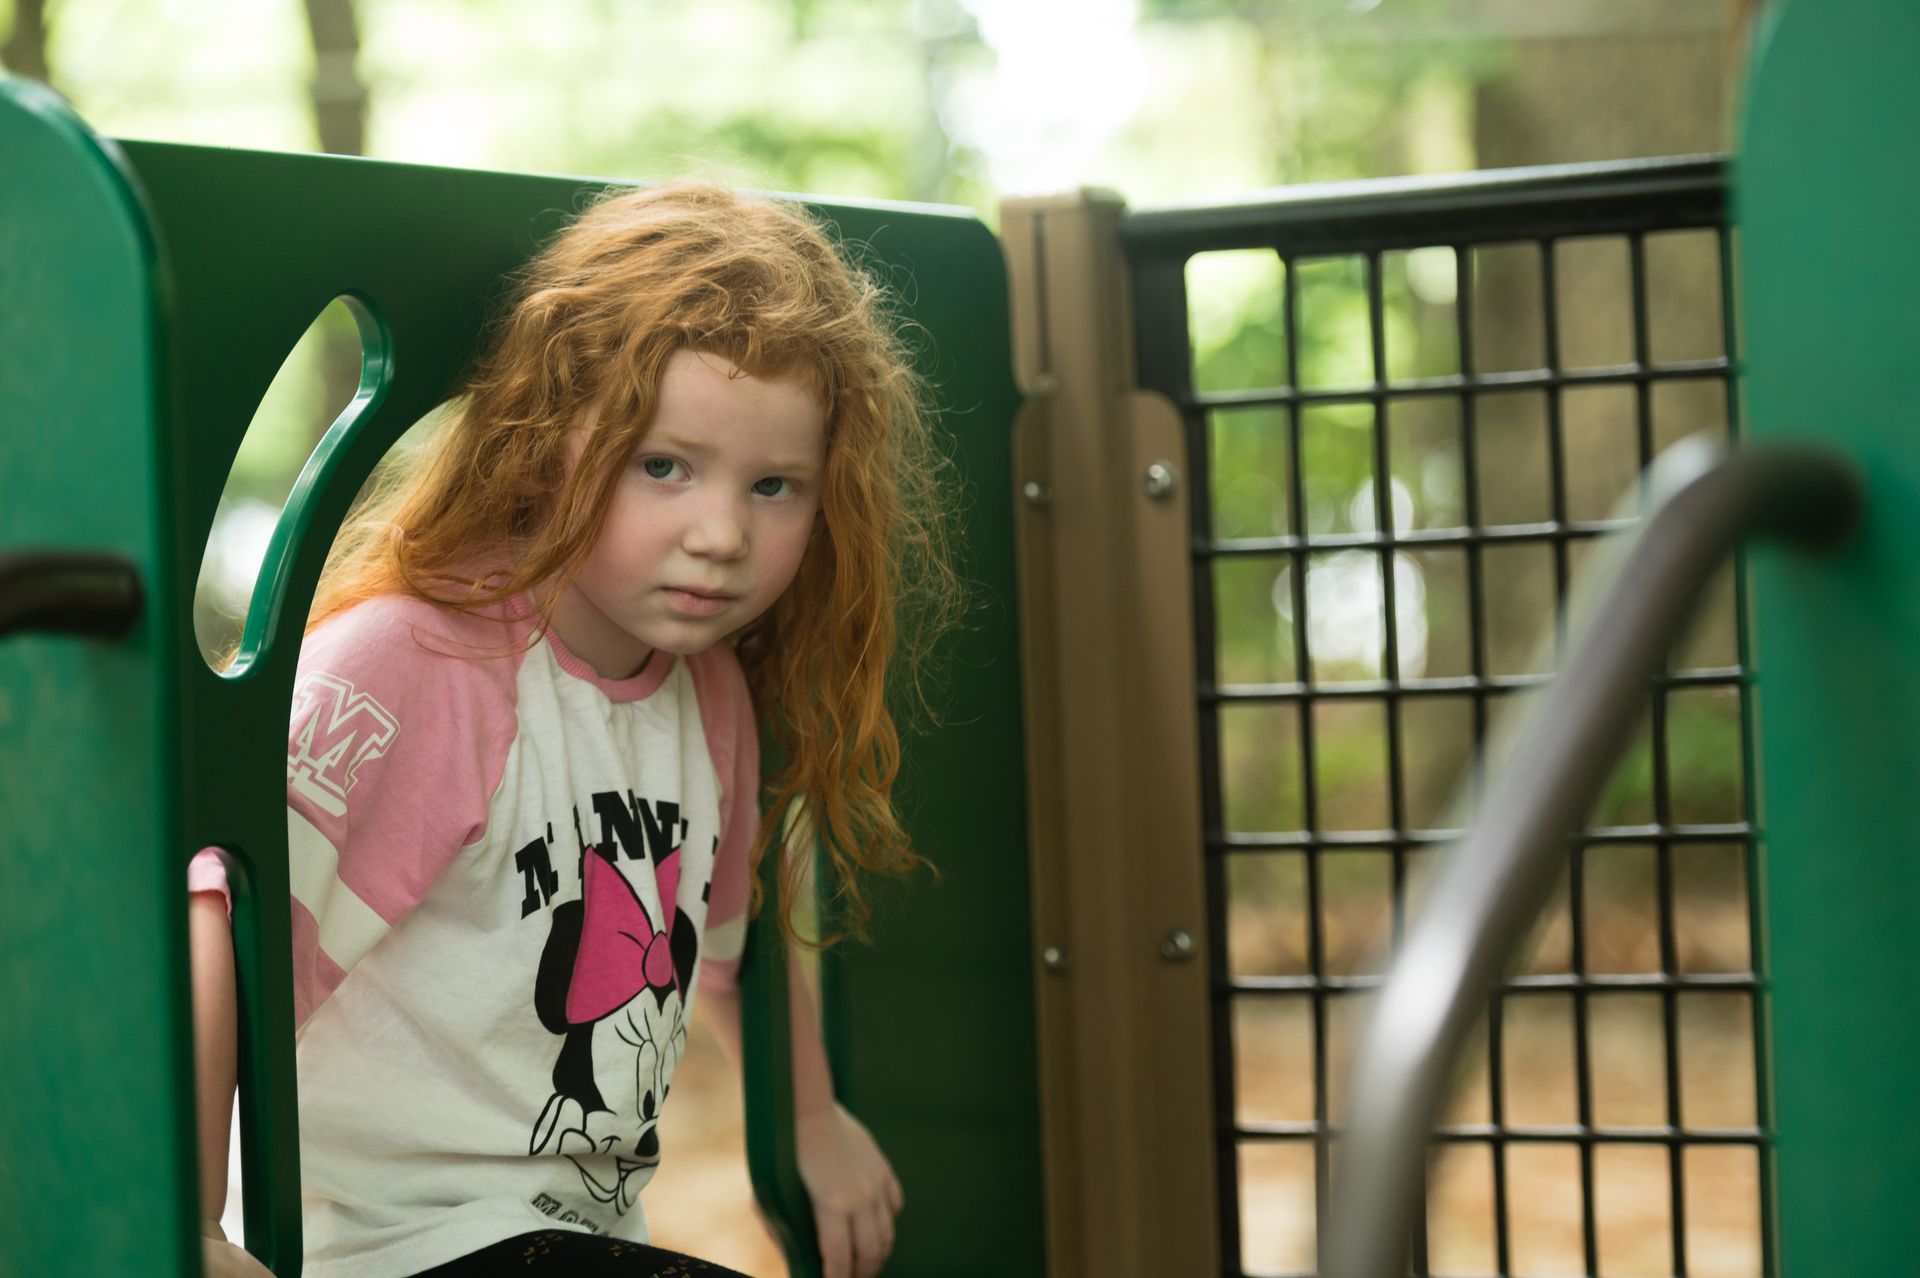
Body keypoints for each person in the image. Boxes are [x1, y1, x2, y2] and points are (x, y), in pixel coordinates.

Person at [188, 179, 961, 1278]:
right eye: (665, 468)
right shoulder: (425, 666)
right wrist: (182, 1224)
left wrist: (812, 1124)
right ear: (553, 442)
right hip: (380, 1242)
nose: (722, 534)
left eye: (775, 486)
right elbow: (228, 911)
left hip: (573, 1236)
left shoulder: (712, 695)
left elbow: (735, 947)